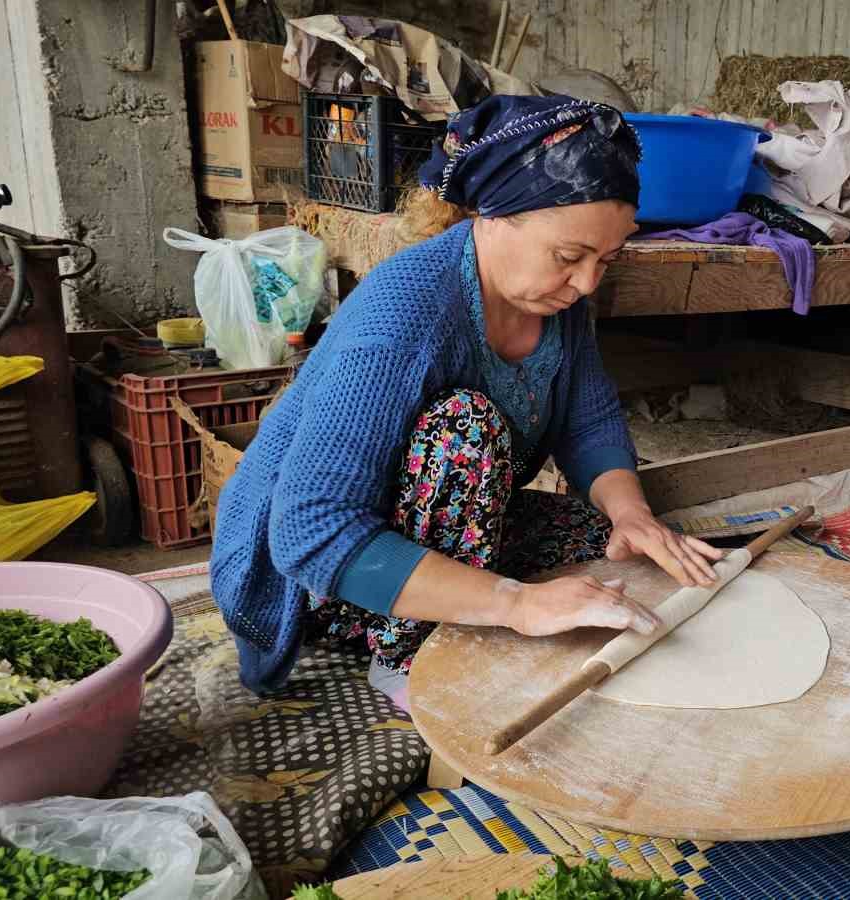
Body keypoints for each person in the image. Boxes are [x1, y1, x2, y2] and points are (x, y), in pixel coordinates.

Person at [211, 95, 723, 699]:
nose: (587, 282)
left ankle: (477, 596)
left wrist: (630, 513)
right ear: (493, 215)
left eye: (605, 260)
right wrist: (515, 604)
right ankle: (407, 655)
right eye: (569, 257)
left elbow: (589, 422)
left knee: (609, 547)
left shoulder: (559, 302)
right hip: (317, 576)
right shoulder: (404, 309)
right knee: (465, 429)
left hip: (428, 521)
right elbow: (310, 531)